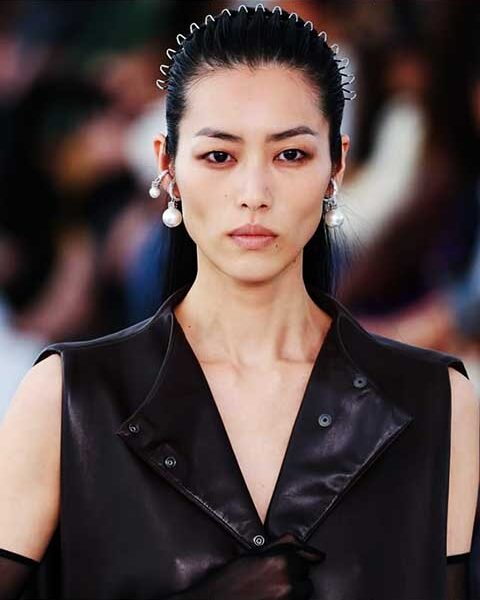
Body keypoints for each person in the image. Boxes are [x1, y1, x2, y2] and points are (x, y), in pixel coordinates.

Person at [0, 4, 478, 599]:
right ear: (169, 166)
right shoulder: (68, 397)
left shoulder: (438, 403)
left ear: (337, 165)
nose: (254, 193)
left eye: (291, 154)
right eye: (219, 156)